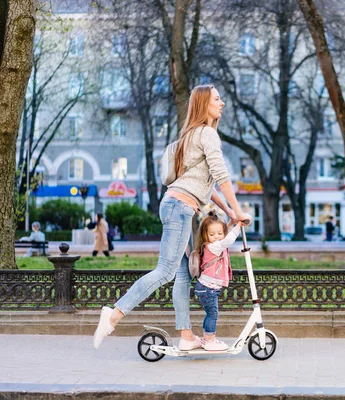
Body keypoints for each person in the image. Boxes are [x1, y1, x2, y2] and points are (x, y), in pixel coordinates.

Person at [92, 84, 252, 350]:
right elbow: (222, 177)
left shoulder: (189, 135)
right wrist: (237, 212)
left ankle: (187, 336)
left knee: (182, 274)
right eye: (217, 99)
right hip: (180, 207)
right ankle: (114, 314)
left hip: (177, 205)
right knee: (165, 271)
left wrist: (228, 213)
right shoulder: (208, 135)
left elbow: (205, 185)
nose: (222, 103)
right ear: (204, 104)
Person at [191, 213, 242, 351]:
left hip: (206, 287)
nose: (217, 237)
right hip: (208, 288)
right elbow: (228, 239)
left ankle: (207, 339)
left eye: (219, 233)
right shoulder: (214, 246)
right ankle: (209, 341)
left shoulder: (213, 244)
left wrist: (231, 224)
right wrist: (238, 226)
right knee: (213, 315)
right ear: (205, 235)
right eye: (212, 234)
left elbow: (224, 235)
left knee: (210, 314)